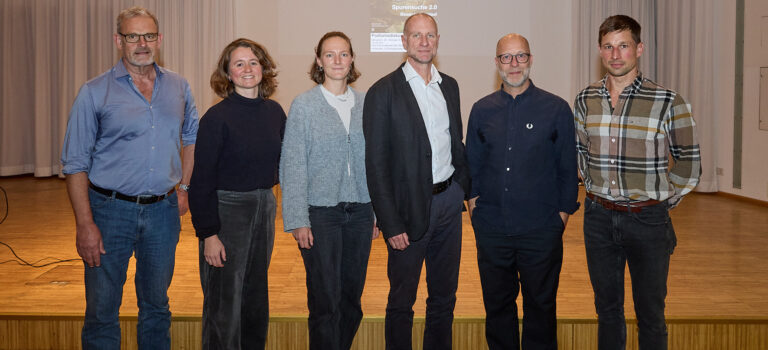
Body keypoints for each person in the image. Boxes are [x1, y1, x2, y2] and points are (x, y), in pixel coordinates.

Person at [60, 6, 198, 349]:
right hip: (109, 213)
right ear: (118, 40)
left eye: (148, 35)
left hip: (163, 213)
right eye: (132, 36)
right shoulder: (94, 92)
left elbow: (192, 137)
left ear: (159, 39)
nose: (141, 43)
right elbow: (75, 163)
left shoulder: (179, 87)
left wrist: (184, 187)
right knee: (102, 311)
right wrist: (85, 224)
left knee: (156, 306)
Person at [574, 15, 701, 350]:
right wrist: (595, 188)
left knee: (651, 314)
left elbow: (689, 161)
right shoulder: (585, 100)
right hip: (598, 219)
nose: (616, 54)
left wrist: (659, 201)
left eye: (624, 45)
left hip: (648, 222)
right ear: (600, 51)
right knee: (607, 312)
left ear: (639, 49)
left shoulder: (668, 100)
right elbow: (580, 154)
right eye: (608, 46)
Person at [363, 13, 471, 350]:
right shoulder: (382, 92)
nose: (424, 42)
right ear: (404, 42)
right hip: (406, 213)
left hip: (449, 205)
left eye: (430, 36)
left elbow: (455, 142)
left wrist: (462, 190)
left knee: (444, 296)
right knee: (402, 300)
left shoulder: (449, 85)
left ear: (437, 40)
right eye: (416, 36)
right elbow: (376, 164)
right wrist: (390, 221)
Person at [465, 33, 579, 350]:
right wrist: (476, 213)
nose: (514, 64)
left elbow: (568, 170)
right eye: (506, 57)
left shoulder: (556, 109)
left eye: (521, 56)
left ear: (530, 59)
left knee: (541, 311)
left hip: (541, 231)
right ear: (497, 62)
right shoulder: (481, 110)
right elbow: (471, 167)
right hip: (492, 231)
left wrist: (560, 218)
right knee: (498, 309)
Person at [280, 31, 377, 350]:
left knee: (351, 301)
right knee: (325, 301)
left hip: (362, 213)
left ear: (352, 60)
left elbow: (377, 162)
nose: (338, 60)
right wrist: (297, 218)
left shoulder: (367, 104)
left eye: (344, 54)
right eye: (330, 54)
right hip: (320, 215)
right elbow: (292, 164)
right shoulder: (304, 106)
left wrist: (378, 211)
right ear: (319, 61)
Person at [188, 38, 285, 349]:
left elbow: (285, 164)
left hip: (264, 207)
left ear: (264, 69)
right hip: (227, 212)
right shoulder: (216, 118)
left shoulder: (274, 112)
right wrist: (209, 235)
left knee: (255, 296)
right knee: (223, 302)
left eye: (253, 62)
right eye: (239, 64)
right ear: (227, 74)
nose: (247, 69)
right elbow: (201, 181)